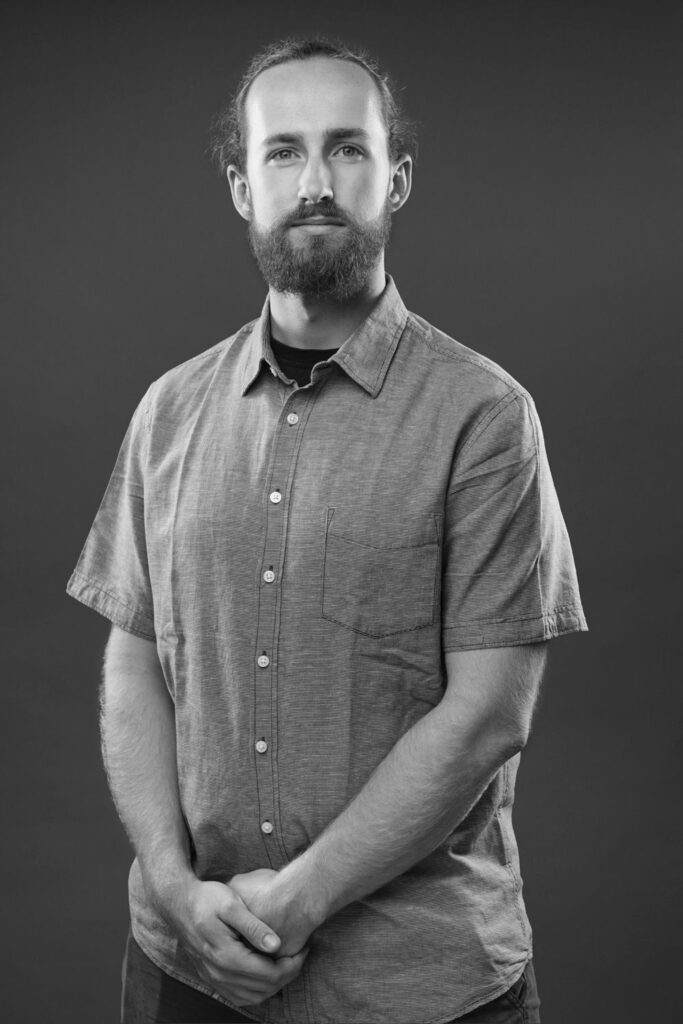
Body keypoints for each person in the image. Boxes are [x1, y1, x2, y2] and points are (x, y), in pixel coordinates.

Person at [67, 36, 587, 1024]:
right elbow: (133, 659)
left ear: (395, 179)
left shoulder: (484, 418)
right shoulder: (167, 412)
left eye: (346, 148)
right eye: (282, 152)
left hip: (416, 985)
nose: (314, 182)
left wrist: (290, 906)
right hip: (182, 965)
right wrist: (177, 893)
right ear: (241, 187)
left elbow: (489, 713)